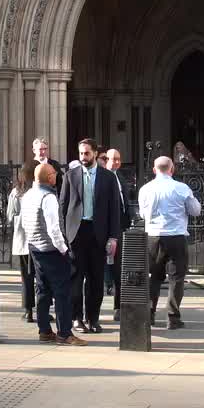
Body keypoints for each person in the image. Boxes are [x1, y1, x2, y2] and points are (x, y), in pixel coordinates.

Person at [59, 138, 122, 334]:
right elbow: (62, 206)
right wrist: (64, 235)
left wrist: (113, 237)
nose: (83, 157)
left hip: (98, 233)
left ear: (95, 153)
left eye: (86, 153)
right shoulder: (70, 176)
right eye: (80, 154)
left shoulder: (108, 177)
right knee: (76, 279)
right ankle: (76, 318)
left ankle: (92, 318)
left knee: (96, 279)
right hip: (76, 234)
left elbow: (114, 209)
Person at [21, 162, 86, 346]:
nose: (56, 175)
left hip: (35, 247)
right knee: (62, 292)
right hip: (51, 250)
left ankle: (44, 331)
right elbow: (54, 229)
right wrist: (64, 250)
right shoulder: (47, 197)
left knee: (42, 289)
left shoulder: (28, 195)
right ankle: (64, 333)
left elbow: (24, 223)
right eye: (53, 173)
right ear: (49, 177)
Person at [137, 156, 201, 330]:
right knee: (176, 279)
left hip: (153, 236)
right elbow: (195, 210)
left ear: (154, 169)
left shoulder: (145, 189)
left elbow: (142, 214)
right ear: (172, 169)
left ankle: (149, 314)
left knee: (153, 277)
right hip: (175, 236)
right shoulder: (181, 188)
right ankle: (173, 318)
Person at [105, 148, 135, 320]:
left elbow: (125, 201)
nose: (115, 162)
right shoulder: (102, 177)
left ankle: (119, 306)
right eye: (111, 159)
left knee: (119, 269)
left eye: (117, 159)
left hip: (121, 227)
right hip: (105, 228)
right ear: (105, 160)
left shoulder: (120, 177)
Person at [8, 162, 39, 322]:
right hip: (38, 240)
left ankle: (28, 310)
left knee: (26, 277)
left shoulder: (16, 192)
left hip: (22, 239)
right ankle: (41, 309)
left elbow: (10, 216)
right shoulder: (40, 192)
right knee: (40, 276)